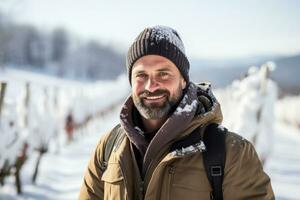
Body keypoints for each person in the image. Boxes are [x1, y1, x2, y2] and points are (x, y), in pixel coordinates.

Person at [79, 25, 274, 200]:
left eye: (163, 73)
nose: (151, 85)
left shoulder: (231, 153)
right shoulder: (109, 147)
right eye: (141, 75)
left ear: (183, 80)